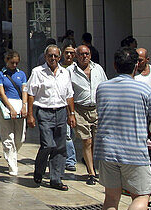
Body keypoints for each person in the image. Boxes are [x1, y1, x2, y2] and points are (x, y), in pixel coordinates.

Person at [95, 47, 151, 210]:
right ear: (136, 66)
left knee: (111, 198)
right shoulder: (144, 90)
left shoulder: (103, 88)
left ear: (115, 66)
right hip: (134, 150)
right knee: (142, 196)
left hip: (107, 150)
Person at [25, 44, 75, 190]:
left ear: (59, 57)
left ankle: (56, 178)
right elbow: (31, 93)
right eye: (50, 56)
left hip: (61, 111)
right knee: (48, 144)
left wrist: (71, 114)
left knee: (60, 147)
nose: (53, 58)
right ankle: (39, 170)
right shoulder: (37, 72)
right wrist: (30, 115)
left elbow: (69, 95)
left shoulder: (65, 73)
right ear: (45, 57)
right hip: (44, 112)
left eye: (55, 56)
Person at [69, 43, 107, 185]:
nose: (84, 57)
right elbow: (68, 94)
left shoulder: (98, 69)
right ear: (76, 56)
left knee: (98, 142)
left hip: (97, 109)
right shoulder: (71, 71)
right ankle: (91, 172)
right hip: (80, 109)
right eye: (81, 54)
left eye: (87, 54)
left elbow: (105, 86)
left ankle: (94, 164)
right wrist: (71, 114)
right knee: (87, 141)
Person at [0, 50, 28, 176]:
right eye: (12, 63)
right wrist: (10, 108)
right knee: (8, 136)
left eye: (16, 63)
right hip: (6, 106)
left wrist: (24, 106)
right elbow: (1, 92)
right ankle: (12, 165)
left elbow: (24, 91)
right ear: (6, 61)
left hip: (19, 105)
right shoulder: (0, 74)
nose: (14, 65)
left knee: (20, 138)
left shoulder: (22, 74)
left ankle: (12, 155)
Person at [61, 45, 78, 171]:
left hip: (78, 106)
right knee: (67, 135)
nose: (69, 55)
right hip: (64, 106)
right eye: (67, 52)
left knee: (75, 135)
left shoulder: (78, 69)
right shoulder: (59, 68)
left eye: (72, 53)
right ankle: (70, 160)